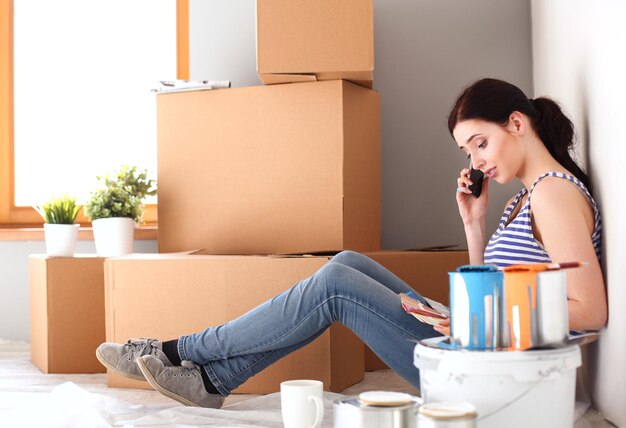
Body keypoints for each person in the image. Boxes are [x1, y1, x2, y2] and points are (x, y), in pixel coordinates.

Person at [96, 78, 607, 408]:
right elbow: (492, 291)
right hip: (476, 347)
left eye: (480, 143)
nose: (476, 162)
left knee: (336, 284)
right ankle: (212, 380)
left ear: (517, 124)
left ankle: (179, 350)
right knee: (347, 261)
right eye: (467, 151)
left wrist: (484, 316)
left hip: (488, 377)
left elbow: (590, 309)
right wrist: (474, 227)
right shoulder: (527, 197)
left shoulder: (555, 196)